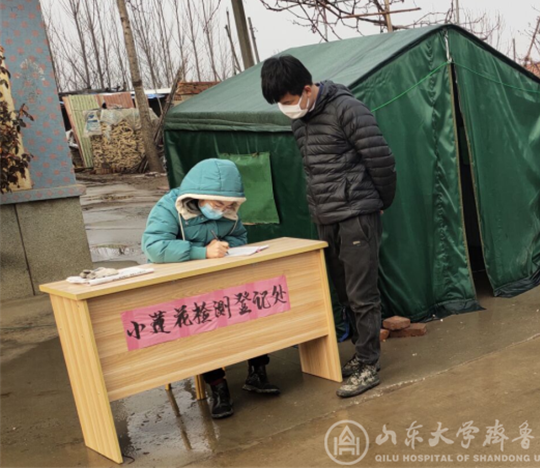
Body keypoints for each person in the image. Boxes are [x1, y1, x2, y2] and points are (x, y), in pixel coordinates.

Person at [261, 56, 397, 398]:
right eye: (280, 104)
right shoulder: (300, 122)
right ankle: (360, 353)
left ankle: (369, 364)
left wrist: (380, 202)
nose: (286, 109)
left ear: (307, 89)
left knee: (362, 294)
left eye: (289, 101)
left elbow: (381, 159)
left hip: (357, 214)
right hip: (326, 217)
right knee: (343, 293)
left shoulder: (347, 109)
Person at [142, 158, 280, 419]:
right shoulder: (169, 207)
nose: (223, 210)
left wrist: (227, 247)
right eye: (217, 205)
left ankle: (257, 372)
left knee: (253, 310)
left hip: (221, 278)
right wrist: (201, 252)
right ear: (198, 195)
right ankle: (218, 387)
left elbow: (239, 236)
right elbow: (154, 247)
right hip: (186, 286)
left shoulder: (228, 209)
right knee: (203, 324)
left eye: (228, 205)